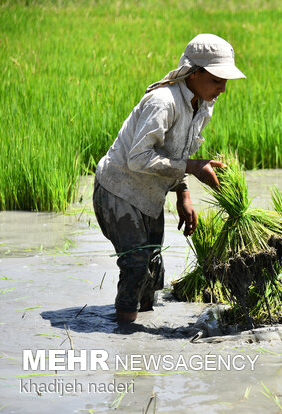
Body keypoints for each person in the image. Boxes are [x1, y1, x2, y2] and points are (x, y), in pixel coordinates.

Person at [93, 34, 245, 323]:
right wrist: (194, 166)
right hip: (119, 190)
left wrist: (183, 195)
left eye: (225, 81)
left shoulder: (202, 103)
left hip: (149, 193)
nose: (223, 88)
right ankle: (124, 337)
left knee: (153, 268)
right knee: (136, 265)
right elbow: (138, 158)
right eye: (217, 80)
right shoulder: (163, 102)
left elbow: (178, 151)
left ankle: (144, 337)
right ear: (195, 72)